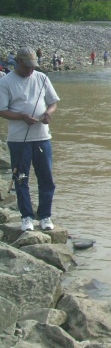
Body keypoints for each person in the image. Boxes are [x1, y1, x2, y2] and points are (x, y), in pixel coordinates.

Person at [0, 47, 59, 232]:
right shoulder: (6, 82)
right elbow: (1, 110)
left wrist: (48, 114)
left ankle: (45, 216)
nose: (30, 70)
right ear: (18, 62)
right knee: (21, 178)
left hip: (42, 138)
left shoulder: (42, 78)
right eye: (27, 67)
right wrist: (22, 117)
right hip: (18, 140)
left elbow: (53, 103)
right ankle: (26, 217)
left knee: (46, 178)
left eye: (33, 66)